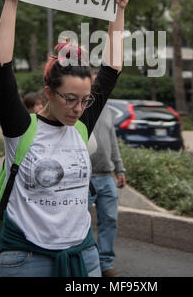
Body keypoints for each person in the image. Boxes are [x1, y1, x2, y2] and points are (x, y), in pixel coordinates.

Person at [0, 0, 129, 277]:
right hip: (27, 259)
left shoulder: (81, 125)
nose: (79, 108)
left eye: (85, 100)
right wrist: (11, 1)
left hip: (83, 257)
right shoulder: (21, 129)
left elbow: (112, 69)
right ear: (49, 93)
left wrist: (118, 11)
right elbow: (1, 69)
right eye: (69, 99)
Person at [88, 70, 126, 277]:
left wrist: (120, 169)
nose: (98, 87)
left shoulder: (107, 109)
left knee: (110, 221)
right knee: (80, 224)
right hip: (83, 180)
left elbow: (113, 142)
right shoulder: (80, 108)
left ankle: (105, 264)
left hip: (106, 176)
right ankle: (88, 261)